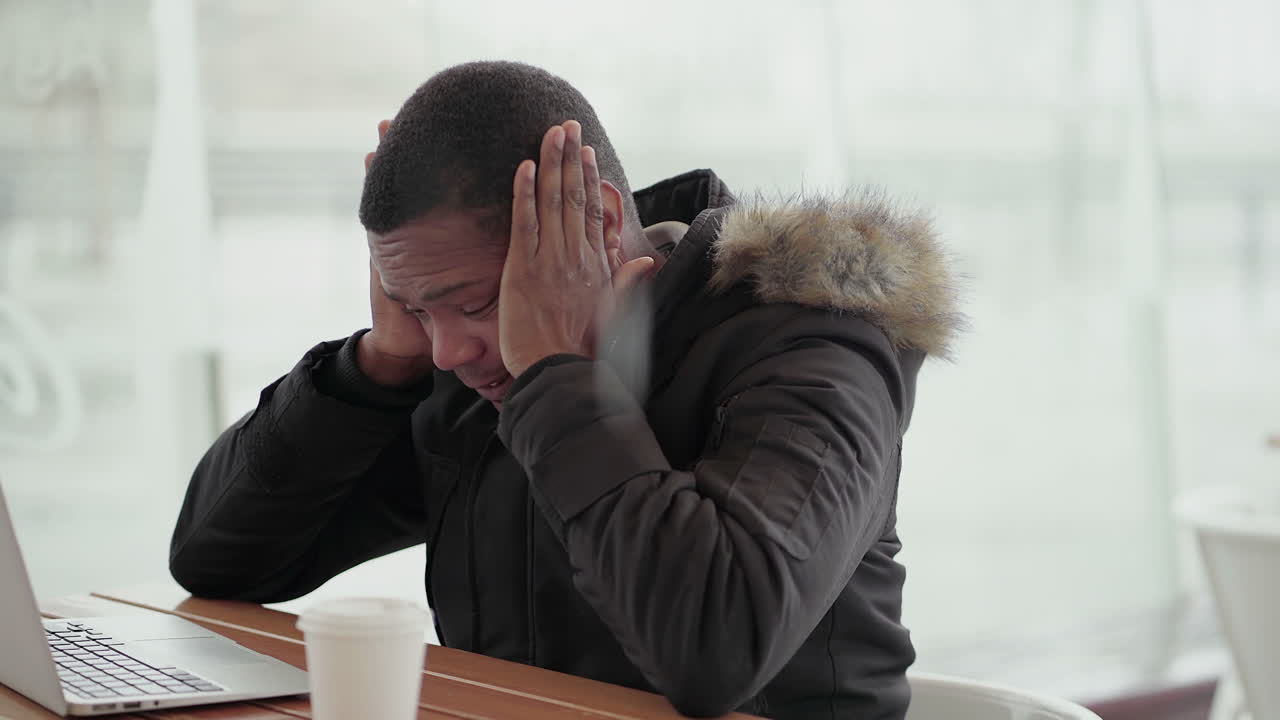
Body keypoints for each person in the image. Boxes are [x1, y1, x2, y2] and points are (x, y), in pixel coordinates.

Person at [169, 61, 961, 720]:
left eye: (474, 303)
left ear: (601, 220)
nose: (451, 350)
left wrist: (557, 377)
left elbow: (714, 651)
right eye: (419, 309)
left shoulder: (811, 345)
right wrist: (380, 363)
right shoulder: (465, 370)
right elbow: (221, 560)